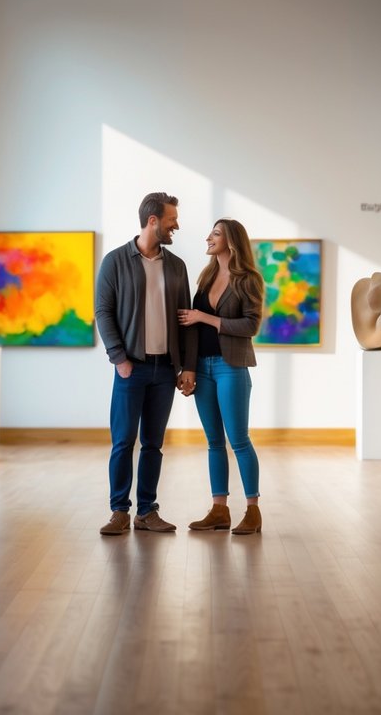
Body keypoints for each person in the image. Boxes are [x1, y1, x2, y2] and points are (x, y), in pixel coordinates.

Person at [95, 192, 197, 536]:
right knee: (123, 441)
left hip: (165, 370)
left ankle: (147, 511)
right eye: (172, 219)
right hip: (131, 368)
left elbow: (185, 321)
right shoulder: (114, 262)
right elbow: (102, 312)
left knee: (153, 443)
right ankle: (119, 511)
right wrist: (118, 358)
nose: (176, 225)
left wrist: (186, 366)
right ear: (153, 220)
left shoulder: (177, 266)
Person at [177, 218, 265, 535]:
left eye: (216, 234)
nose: (209, 238)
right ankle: (219, 510)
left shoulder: (248, 280)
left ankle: (253, 511)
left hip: (232, 366)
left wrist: (204, 316)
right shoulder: (206, 277)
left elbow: (251, 325)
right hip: (203, 367)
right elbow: (191, 328)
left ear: (231, 241)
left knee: (238, 441)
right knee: (214, 442)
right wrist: (187, 367)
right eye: (211, 233)